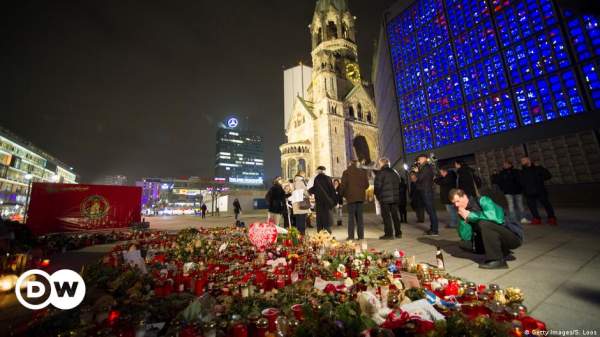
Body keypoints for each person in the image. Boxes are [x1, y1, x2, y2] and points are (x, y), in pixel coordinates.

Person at [450, 188, 523, 269]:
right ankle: (502, 250)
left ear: (464, 196)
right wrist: (464, 220)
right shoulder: (463, 211)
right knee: (465, 244)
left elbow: (495, 217)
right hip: (494, 237)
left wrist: (470, 216)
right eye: (454, 203)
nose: (456, 205)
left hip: (512, 237)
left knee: (484, 223)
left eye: (457, 201)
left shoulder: (483, 200)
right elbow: (466, 236)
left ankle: (497, 260)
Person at [519, 157, 556, 225]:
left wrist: (540, 169)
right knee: (532, 207)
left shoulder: (538, 168)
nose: (521, 162)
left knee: (546, 204)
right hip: (528, 192)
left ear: (529, 160)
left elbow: (548, 176)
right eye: (521, 161)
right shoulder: (522, 171)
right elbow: (521, 182)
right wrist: (524, 190)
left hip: (540, 191)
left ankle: (552, 218)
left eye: (523, 160)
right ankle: (536, 219)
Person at [340, 160, 369, 240]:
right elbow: (366, 185)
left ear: (349, 164)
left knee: (351, 218)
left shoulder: (346, 172)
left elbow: (343, 185)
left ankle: (351, 236)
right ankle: (361, 236)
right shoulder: (362, 172)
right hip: (360, 198)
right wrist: (360, 190)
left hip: (351, 198)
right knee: (360, 218)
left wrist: (342, 194)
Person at [374, 158, 403, 239]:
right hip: (395, 198)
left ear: (382, 163)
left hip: (385, 198)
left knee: (386, 216)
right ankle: (398, 233)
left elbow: (377, 187)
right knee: (395, 215)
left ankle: (389, 234)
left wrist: (378, 196)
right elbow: (400, 183)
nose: (379, 165)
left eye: (379, 164)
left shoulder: (381, 173)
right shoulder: (394, 172)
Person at [415, 154, 439, 236]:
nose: (418, 161)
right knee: (430, 211)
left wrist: (417, 172)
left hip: (426, 191)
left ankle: (434, 230)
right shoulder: (426, 167)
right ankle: (433, 228)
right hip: (427, 191)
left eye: (419, 160)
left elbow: (420, 178)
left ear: (424, 159)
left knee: (431, 211)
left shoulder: (425, 167)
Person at [308, 166, 337, 233]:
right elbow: (332, 190)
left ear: (318, 171)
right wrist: (334, 201)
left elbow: (312, 189)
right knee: (326, 221)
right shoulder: (328, 178)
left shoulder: (315, 178)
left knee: (320, 221)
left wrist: (311, 191)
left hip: (319, 202)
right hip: (327, 202)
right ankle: (328, 236)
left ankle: (320, 236)